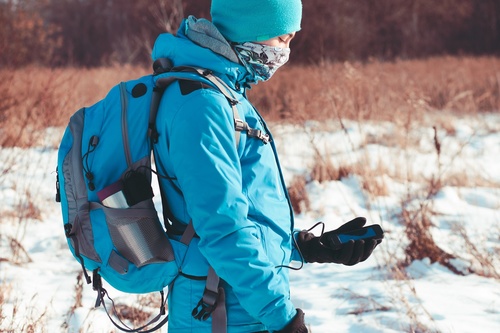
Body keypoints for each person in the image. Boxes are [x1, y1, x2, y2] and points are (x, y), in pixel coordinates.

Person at [151, 1, 381, 332]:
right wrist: (283, 319)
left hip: (236, 302)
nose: (285, 53)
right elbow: (222, 230)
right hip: (221, 310)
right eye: (282, 40)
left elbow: (239, 211)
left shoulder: (223, 93)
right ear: (249, 30)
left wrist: (303, 246)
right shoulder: (203, 105)